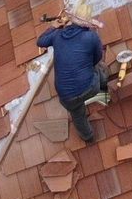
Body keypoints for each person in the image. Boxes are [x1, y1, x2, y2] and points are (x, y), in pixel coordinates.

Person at [37, 11, 109, 144]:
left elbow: (40, 42)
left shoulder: (57, 35)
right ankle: (104, 84)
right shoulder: (91, 37)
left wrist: (53, 26)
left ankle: (88, 137)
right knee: (98, 66)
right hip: (91, 88)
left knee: (77, 115)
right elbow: (97, 57)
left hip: (67, 97)